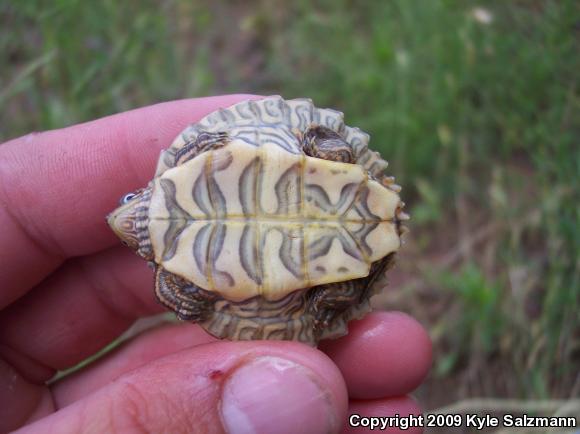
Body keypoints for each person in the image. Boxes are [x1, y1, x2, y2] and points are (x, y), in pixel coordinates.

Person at [0, 95, 432, 434]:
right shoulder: (195, 155)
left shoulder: (183, 276)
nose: (121, 218)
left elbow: (195, 305)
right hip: (336, 241)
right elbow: (231, 143)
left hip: (329, 272)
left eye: (130, 202)